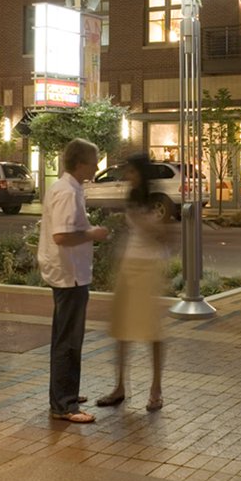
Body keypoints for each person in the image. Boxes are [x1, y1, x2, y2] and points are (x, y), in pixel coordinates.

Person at [37, 138, 109, 424]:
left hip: (69, 273)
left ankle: (64, 392)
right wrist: (94, 234)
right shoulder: (67, 192)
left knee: (66, 337)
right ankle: (64, 404)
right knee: (69, 339)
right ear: (80, 164)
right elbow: (62, 237)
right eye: (94, 161)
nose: (97, 165)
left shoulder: (67, 188)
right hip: (69, 274)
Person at [97, 153, 168, 412]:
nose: (127, 176)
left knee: (151, 329)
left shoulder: (155, 200)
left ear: (141, 173)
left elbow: (165, 234)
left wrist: (147, 225)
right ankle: (119, 386)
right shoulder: (131, 197)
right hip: (129, 264)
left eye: (131, 171)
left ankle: (156, 388)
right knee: (121, 327)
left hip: (148, 265)